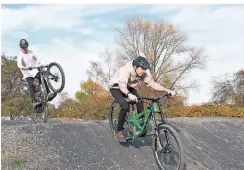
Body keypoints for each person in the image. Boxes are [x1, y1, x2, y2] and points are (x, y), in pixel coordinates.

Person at [109, 54, 176, 142]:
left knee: (140, 100)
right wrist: (129, 94)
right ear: (136, 66)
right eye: (142, 69)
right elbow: (122, 86)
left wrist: (167, 90)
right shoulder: (126, 70)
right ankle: (119, 131)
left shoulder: (141, 73)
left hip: (129, 87)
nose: (143, 71)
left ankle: (140, 125)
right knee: (124, 105)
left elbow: (153, 84)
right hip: (116, 87)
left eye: (145, 69)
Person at [17, 39, 57, 108]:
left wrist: (41, 63)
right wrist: (24, 67)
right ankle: (34, 101)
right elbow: (19, 64)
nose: (25, 49)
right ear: (20, 48)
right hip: (27, 74)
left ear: (27, 46)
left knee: (42, 78)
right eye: (23, 48)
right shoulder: (20, 55)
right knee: (31, 85)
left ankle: (48, 93)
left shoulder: (32, 52)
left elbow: (39, 58)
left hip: (35, 70)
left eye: (26, 47)